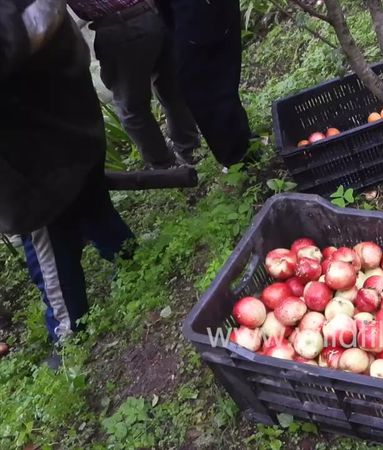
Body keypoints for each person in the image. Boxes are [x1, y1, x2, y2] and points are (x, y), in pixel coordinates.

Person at [1, 0, 135, 352]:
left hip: (37, 170)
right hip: (74, 132)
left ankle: (70, 332)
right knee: (94, 210)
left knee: (51, 255)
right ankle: (131, 257)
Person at [67, 0, 201, 169]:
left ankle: (164, 166)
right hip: (153, 13)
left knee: (131, 108)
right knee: (171, 89)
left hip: (120, 30)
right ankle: (191, 150)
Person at [157, 0, 254, 167]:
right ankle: (244, 146)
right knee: (222, 78)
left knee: (205, 89)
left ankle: (239, 158)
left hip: (194, 15)